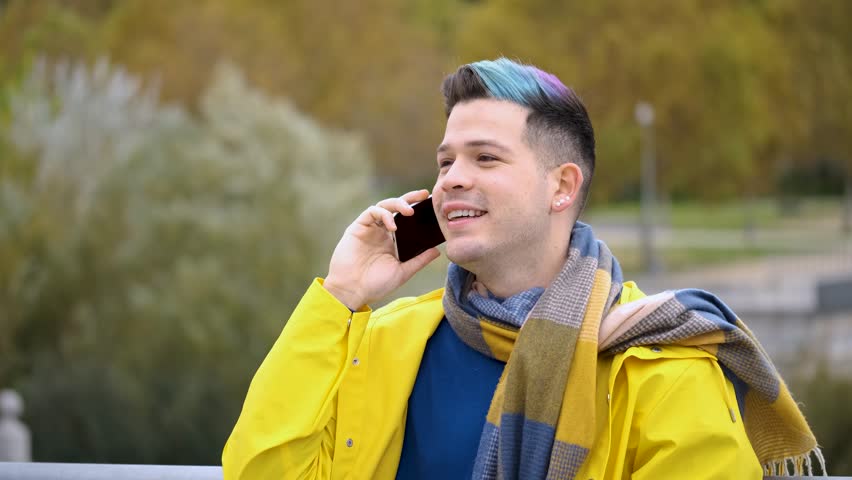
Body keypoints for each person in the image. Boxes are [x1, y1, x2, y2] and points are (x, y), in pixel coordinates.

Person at [222, 58, 823, 480]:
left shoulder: (663, 368)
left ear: (561, 187)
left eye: (485, 157)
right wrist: (342, 296)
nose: (453, 177)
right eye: (446, 160)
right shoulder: (382, 339)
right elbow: (259, 471)